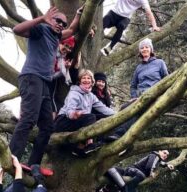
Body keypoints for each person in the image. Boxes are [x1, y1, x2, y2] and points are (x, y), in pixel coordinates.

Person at [10, 6, 83, 167]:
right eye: (58, 21)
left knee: (48, 126)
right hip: (31, 77)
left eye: (63, 23)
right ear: (51, 19)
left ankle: (32, 164)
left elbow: (71, 30)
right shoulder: (40, 30)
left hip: (44, 83)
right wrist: (42, 19)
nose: (61, 25)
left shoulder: (57, 37)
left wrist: (77, 14)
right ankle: (12, 159)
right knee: (29, 119)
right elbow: (17, 29)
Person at [106, 38, 168, 142]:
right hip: (140, 96)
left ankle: (119, 134)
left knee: (134, 111)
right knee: (124, 108)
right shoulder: (139, 68)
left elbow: (167, 79)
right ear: (140, 51)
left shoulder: (159, 63)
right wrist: (134, 96)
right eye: (142, 48)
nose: (144, 49)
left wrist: (162, 95)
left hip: (154, 94)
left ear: (151, 49)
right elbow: (133, 85)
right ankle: (112, 134)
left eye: (146, 47)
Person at [54, 69, 115, 156]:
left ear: (92, 81)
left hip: (76, 121)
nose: (86, 80)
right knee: (91, 117)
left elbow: (103, 108)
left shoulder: (91, 96)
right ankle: (89, 144)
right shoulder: (74, 93)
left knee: (99, 117)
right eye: (84, 78)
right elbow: (69, 110)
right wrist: (74, 114)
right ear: (80, 81)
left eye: (88, 78)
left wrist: (117, 114)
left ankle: (82, 148)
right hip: (63, 121)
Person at [50, 36, 78, 118]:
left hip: (53, 81)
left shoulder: (63, 58)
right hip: (44, 78)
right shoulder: (52, 52)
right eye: (66, 45)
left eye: (70, 48)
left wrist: (66, 68)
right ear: (60, 43)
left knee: (51, 100)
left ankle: (52, 122)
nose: (67, 49)